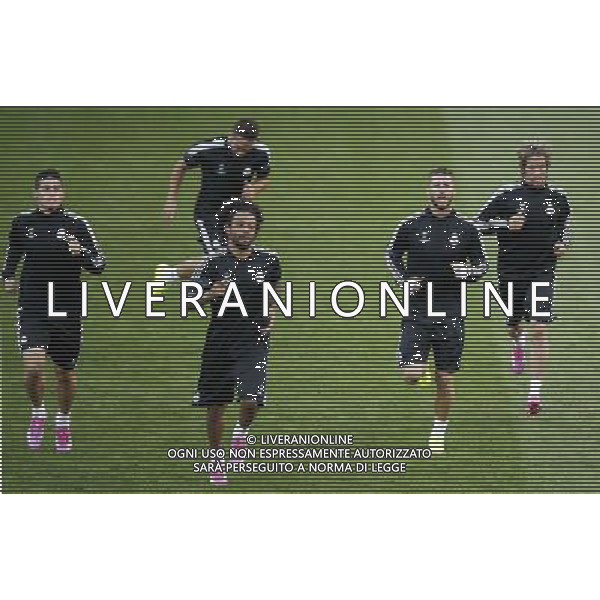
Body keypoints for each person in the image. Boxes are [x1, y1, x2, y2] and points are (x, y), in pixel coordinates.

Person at [2, 169, 106, 453]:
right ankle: (38, 413)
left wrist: (79, 253)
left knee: (65, 373)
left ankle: (63, 419)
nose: (50, 193)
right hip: (33, 303)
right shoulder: (22, 222)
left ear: (63, 193)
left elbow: (99, 265)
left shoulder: (77, 224)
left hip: (66, 306)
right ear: (36, 194)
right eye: (45, 189)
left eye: (55, 189)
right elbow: (13, 251)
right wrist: (8, 275)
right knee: (33, 368)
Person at [388, 168, 487, 453]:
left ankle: (438, 430)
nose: (442, 190)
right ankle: (416, 361)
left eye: (446, 186)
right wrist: (405, 278)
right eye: (437, 185)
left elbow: (482, 264)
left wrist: (467, 272)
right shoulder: (410, 225)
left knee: (445, 379)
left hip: (451, 314)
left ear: (453, 190)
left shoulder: (467, 229)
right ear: (428, 190)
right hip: (417, 312)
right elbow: (392, 253)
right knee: (411, 375)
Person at [191, 200, 281, 485]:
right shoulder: (212, 264)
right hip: (220, 340)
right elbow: (189, 302)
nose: (245, 230)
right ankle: (216, 459)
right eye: (239, 224)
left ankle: (241, 432)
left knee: (251, 400)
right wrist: (209, 294)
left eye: (250, 225)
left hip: (253, 338)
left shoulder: (269, 261)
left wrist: (271, 319)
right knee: (216, 405)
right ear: (227, 229)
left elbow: (272, 294)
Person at [477, 143, 570, 415]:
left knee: (539, 329)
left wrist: (563, 245)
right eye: (532, 168)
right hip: (511, 272)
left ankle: (535, 392)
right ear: (523, 169)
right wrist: (506, 225)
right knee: (516, 325)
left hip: (542, 271)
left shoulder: (559, 199)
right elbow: (478, 225)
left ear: (547, 169)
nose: (537, 172)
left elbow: (566, 230)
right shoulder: (506, 197)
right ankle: (517, 344)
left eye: (541, 167)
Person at [156, 119, 270, 281]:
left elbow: (265, 179)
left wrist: (255, 188)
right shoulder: (209, 148)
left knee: (230, 257)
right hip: (208, 213)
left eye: (248, 142)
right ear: (233, 135)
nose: (243, 146)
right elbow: (180, 167)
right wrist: (171, 199)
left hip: (236, 214)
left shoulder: (261, 153)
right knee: (223, 258)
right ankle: (201, 290)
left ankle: (172, 274)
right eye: (239, 140)